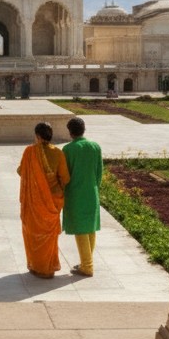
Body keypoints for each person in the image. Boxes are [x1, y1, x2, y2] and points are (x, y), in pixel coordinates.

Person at [17, 121, 70, 278]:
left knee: (33, 234)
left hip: (34, 203)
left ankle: (37, 266)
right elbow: (65, 178)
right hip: (53, 203)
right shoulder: (58, 153)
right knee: (49, 237)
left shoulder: (29, 152)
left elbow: (21, 171)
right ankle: (48, 267)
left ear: (37, 136)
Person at [61, 117, 102, 277]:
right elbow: (99, 172)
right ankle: (88, 261)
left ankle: (87, 266)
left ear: (70, 132)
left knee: (80, 229)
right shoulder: (95, 147)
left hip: (75, 194)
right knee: (90, 227)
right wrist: (95, 187)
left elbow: (65, 175)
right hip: (92, 192)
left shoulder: (68, 149)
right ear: (83, 129)